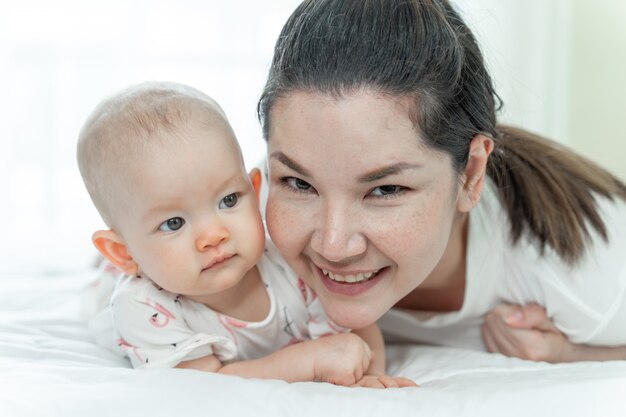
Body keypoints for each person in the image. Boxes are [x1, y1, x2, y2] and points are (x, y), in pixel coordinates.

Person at [256, 0, 626, 363]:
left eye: (385, 189)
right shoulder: (236, 226)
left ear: (470, 174)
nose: (334, 247)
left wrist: (574, 353)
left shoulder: (592, 275)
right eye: (299, 184)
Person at [77, 81, 415, 387]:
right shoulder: (143, 307)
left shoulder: (289, 261)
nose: (213, 235)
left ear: (255, 193)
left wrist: (369, 378)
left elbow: (357, 330)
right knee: (103, 289)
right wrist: (307, 361)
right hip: (125, 291)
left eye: (228, 200)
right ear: (124, 252)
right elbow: (201, 386)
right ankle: (108, 268)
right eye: (174, 223)